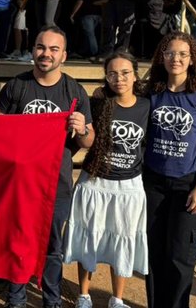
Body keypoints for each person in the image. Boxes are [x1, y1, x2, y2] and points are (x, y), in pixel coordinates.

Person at [0, 25, 93, 308]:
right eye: (40, 47)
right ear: (33, 50)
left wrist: (82, 128)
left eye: (53, 49)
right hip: (19, 183)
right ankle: (16, 299)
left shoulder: (73, 90)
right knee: (17, 243)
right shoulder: (16, 85)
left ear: (63, 55)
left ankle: (52, 300)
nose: (45, 54)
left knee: (53, 248)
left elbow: (88, 141)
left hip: (56, 184)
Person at [64, 52, 149, 308]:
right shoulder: (97, 104)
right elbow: (86, 141)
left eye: (125, 73)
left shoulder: (147, 106)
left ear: (135, 75)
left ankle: (117, 299)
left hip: (129, 185)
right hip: (95, 182)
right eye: (112, 73)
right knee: (89, 237)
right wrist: (82, 130)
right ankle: (84, 295)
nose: (118, 78)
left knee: (122, 239)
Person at [143, 31, 196, 308]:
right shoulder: (151, 91)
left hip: (186, 184)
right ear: (162, 57)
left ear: (191, 59)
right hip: (152, 183)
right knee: (154, 253)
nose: (176, 59)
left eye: (182, 54)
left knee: (181, 255)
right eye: (170, 53)